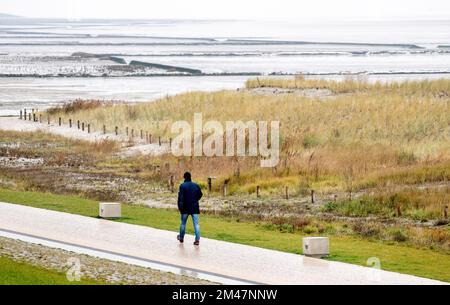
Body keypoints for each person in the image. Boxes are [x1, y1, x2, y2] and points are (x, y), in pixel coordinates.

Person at [177, 172, 203, 246]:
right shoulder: (196, 185)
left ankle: (181, 237)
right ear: (190, 177)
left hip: (185, 208)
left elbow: (181, 198)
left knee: (183, 223)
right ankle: (197, 240)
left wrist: (180, 207)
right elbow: (200, 194)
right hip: (194, 208)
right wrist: (195, 200)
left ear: (184, 177)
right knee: (196, 224)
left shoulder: (182, 186)